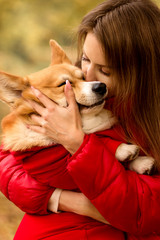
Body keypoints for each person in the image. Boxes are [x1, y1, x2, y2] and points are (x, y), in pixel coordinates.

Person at [0, 0, 160, 239]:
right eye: (85, 59)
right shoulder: (75, 89)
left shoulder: (145, 119)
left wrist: (79, 144)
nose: (89, 76)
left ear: (142, 69)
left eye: (105, 71)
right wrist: (60, 198)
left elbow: (145, 212)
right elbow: (8, 159)